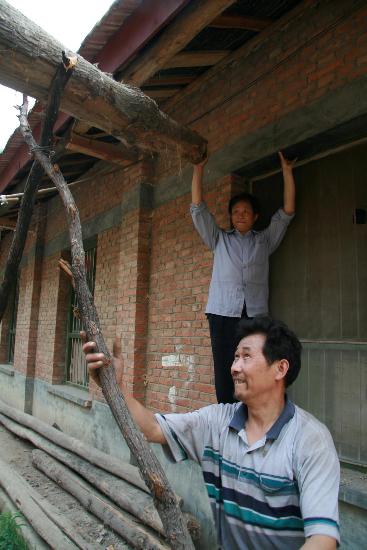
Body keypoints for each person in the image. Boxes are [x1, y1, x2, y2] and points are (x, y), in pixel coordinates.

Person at [82, 317, 340, 550]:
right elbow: (151, 427)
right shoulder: (217, 422)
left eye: (246, 357)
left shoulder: (310, 439)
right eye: (235, 357)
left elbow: (322, 539)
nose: (235, 367)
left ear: (280, 369)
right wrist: (114, 386)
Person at [191, 152, 296, 404]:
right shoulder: (219, 240)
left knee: (256, 363)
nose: (240, 215)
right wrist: (197, 169)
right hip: (222, 314)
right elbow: (197, 210)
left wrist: (287, 172)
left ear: (255, 216)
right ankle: (226, 416)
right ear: (231, 216)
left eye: (246, 211)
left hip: (256, 315)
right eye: (236, 211)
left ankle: (252, 409)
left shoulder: (264, 241)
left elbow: (287, 212)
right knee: (226, 366)